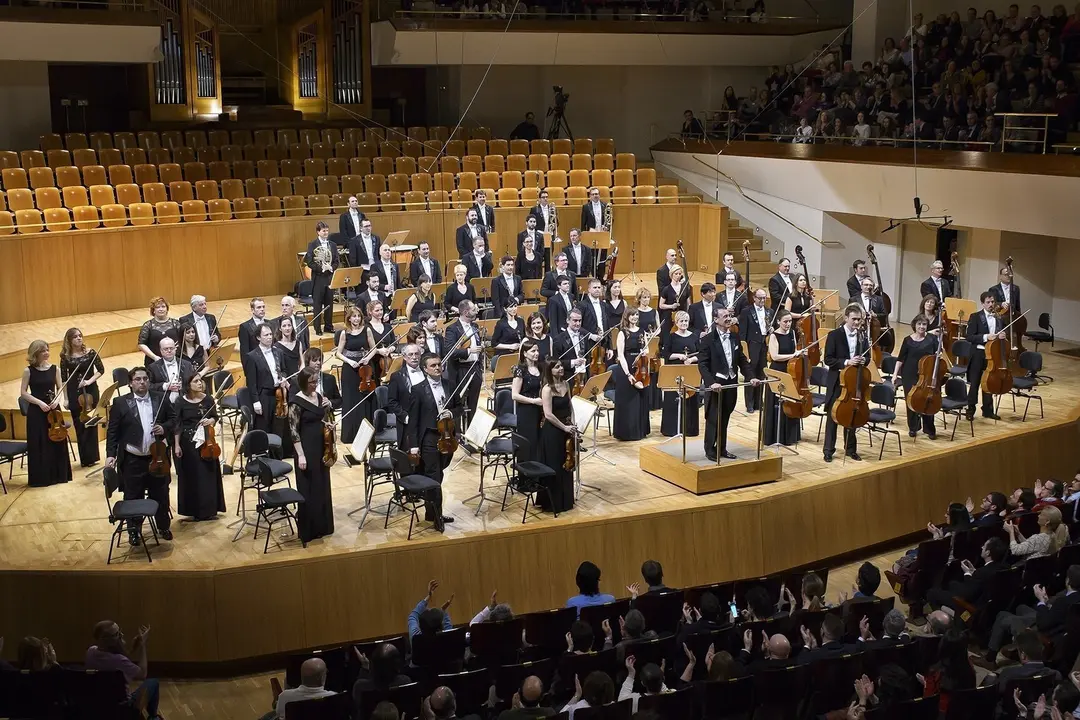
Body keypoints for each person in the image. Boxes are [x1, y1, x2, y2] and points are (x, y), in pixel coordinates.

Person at [104, 367, 173, 543]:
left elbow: (174, 419)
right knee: (133, 496)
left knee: (161, 493)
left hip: (157, 458)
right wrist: (110, 454)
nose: (142, 382)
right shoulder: (120, 403)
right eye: (137, 379)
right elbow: (112, 432)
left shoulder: (160, 397)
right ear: (130, 383)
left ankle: (163, 526)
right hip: (132, 459)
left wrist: (164, 427)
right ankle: (133, 531)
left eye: (145, 379)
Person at [405, 353, 460, 531]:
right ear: (425, 369)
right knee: (434, 477)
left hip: (447, 437)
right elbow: (413, 420)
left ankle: (431, 511)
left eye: (439, 364)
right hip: (429, 437)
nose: (437, 368)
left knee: (439, 474)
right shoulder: (418, 389)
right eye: (433, 366)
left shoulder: (449, 384)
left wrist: (451, 413)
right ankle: (437, 517)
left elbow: (459, 406)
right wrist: (413, 445)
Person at [699, 307, 757, 462]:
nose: (728, 318)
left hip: (730, 383)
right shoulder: (707, 339)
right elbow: (703, 365)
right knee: (713, 418)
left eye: (729, 315)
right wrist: (711, 383)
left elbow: (742, 360)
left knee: (725, 418)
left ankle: (722, 448)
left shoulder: (735, 337)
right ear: (716, 320)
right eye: (724, 316)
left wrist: (751, 377)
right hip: (716, 385)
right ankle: (710, 449)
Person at [289, 368, 335, 543]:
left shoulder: (320, 397)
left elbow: (324, 419)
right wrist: (300, 455)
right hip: (306, 449)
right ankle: (309, 529)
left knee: (322, 486)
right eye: (312, 382)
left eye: (316, 381)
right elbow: (293, 431)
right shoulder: (296, 402)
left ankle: (324, 526)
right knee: (308, 488)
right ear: (303, 383)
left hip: (322, 447)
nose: (315, 385)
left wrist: (328, 417)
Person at [172, 374, 225, 522]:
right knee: (193, 476)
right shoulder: (180, 402)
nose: (200, 383)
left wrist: (211, 420)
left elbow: (216, 416)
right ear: (188, 385)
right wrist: (176, 445)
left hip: (207, 441)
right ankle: (194, 510)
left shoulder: (208, 399)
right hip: (188, 443)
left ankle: (210, 508)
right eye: (195, 381)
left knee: (208, 475)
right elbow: (177, 425)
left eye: (200, 380)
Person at [20, 340, 74, 487]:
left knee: (56, 440)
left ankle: (59, 475)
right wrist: (39, 402)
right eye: (43, 350)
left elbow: (60, 388)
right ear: (35, 353)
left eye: (47, 350)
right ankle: (42, 478)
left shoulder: (55, 369)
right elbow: (23, 393)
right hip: (37, 412)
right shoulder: (28, 371)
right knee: (40, 443)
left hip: (54, 410)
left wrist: (58, 400)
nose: (46, 353)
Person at [85, 620, 160, 720]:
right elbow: (142, 674)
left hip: (98, 705)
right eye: (117, 634)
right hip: (122, 709)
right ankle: (153, 717)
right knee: (153, 682)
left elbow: (118, 660)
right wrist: (142, 646)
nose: (121, 635)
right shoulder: (119, 661)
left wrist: (133, 648)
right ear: (105, 640)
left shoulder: (90, 652)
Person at [822, 304, 869, 462]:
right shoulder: (834, 335)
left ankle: (850, 449)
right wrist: (848, 361)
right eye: (854, 319)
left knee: (852, 415)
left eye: (859, 320)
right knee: (833, 416)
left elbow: (868, 358)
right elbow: (828, 359)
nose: (857, 322)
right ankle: (828, 450)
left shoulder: (863, 336)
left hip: (854, 381)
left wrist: (864, 360)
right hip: (838, 381)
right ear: (846, 318)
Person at [60, 327, 104, 467]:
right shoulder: (65, 357)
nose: (79, 338)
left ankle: (92, 457)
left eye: (80, 336)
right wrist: (65, 398)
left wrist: (89, 381)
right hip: (74, 392)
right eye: (75, 337)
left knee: (91, 423)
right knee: (79, 424)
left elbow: (101, 370)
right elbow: (64, 379)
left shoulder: (90, 353)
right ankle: (85, 458)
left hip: (90, 391)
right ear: (69, 340)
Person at [890, 315, 939, 439]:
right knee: (911, 400)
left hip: (926, 375)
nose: (921, 327)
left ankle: (929, 429)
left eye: (924, 325)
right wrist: (895, 374)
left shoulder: (932, 339)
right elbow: (900, 359)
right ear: (914, 325)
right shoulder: (907, 340)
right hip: (909, 374)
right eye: (919, 324)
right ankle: (913, 427)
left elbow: (937, 357)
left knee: (927, 400)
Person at [537, 359, 576, 514]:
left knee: (566, 464)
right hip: (552, 431)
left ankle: (566, 500)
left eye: (561, 366)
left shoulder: (566, 384)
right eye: (557, 367)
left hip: (566, 428)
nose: (561, 369)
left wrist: (573, 423)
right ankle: (553, 502)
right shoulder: (547, 389)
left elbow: (570, 405)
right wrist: (564, 426)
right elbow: (548, 414)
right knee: (555, 465)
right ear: (550, 370)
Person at [336, 307, 376, 444]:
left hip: (364, 369)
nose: (356, 319)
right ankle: (350, 435)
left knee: (364, 399)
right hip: (350, 369)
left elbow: (374, 348)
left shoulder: (367, 330)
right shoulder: (344, 333)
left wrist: (367, 359)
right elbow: (338, 353)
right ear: (349, 318)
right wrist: (349, 361)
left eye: (358, 316)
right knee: (350, 400)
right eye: (354, 316)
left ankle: (365, 435)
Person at [763, 310, 803, 447]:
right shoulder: (774, 336)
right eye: (785, 321)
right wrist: (793, 355)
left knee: (789, 401)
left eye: (790, 321)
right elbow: (775, 356)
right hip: (777, 372)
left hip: (790, 371)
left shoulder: (792, 333)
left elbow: (794, 352)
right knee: (776, 403)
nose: (788, 324)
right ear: (778, 321)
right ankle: (774, 436)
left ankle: (789, 436)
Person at [244, 324, 291, 437]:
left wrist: (283, 377)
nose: (270, 337)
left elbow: (284, 370)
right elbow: (251, 382)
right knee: (264, 426)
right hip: (263, 396)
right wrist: (256, 401)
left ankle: (277, 453)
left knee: (278, 425)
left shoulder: (278, 352)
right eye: (266, 335)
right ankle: (263, 452)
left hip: (279, 393)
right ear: (258, 337)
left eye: (270, 334)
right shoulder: (252, 356)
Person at [964, 292, 1005, 421]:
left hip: (992, 355)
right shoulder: (975, 317)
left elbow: (1000, 336)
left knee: (989, 382)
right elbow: (969, 336)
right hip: (978, 354)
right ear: (983, 303)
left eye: (993, 302)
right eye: (988, 302)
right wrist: (986, 337)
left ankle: (987, 410)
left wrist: (1002, 336)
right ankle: (970, 409)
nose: (991, 304)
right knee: (975, 383)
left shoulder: (999, 318)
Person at [660, 311, 700, 437]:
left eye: (686, 321)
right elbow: (665, 354)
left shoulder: (694, 336)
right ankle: (672, 429)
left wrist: (691, 359)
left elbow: (701, 354)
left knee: (690, 399)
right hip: (675, 373)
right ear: (676, 323)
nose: (684, 323)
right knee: (673, 399)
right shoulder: (671, 337)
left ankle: (689, 429)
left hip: (690, 372)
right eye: (681, 321)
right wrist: (679, 356)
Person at [443, 300, 485, 423]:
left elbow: (476, 345)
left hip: (475, 368)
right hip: (461, 369)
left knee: (473, 402)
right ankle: (458, 433)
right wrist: (468, 351)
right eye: (473, 310)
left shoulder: (475, 326)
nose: (476, 311)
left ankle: (472, 431)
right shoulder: (452, 329)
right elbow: (450, 351)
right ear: (466, 312)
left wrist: (480, 347)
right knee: (459, 403)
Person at [613, 307, 651, 441]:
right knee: (628, 401)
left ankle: (640, 431)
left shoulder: (642, 331)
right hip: (626, 368)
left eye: (636, 315)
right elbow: (621, 355)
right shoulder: (622, 333)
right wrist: (628, 374)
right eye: (632, 315)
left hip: (641, 368)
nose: (635, 317)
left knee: (640, 399)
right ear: (627, 317)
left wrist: (645, 353)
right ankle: (626, 432)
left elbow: (647, 350)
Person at [738, 288, 770, 413]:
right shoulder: (746, 312)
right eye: (760, 298)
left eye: (764, 298)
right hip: (752, 345)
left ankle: (758, 402)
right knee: (750, 374)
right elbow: (742, 333)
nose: (762, 300)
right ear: (754, 298)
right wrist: (744, 350)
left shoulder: (769, 311)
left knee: (762, 374)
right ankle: (749, 403)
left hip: (764, 345)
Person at [512, 340, 544, 463]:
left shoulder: (541, 368)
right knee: (528, 442)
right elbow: (514, 395)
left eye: (537, 351)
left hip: (540, 410)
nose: (536, 353)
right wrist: (533, 401)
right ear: (525, 353)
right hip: (526, 411)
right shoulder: (520, 370)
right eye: (533, 351)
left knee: (539, 441)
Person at [304, 221, 338, 336]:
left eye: (327, 230)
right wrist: (321, 268)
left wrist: (331, 267)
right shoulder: (312, 245)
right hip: (318, 278)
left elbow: (336, 261)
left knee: (329, 303)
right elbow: (309, 262)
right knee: (317, 304)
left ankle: (329, 326)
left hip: (329, 277)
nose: (326, 233)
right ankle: (317, 328)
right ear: (318, 232)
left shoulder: (333, 245)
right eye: (323, 231)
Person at [137, 296, 182, 368]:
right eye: (158, 307)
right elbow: (141, 344)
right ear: (153, 310)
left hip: (174, 360)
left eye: (163, 306)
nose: (161, 309)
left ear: (167, 309)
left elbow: (182, 340)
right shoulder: (148, 325)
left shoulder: (175, 323)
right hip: (154, 361)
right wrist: (154, 357)